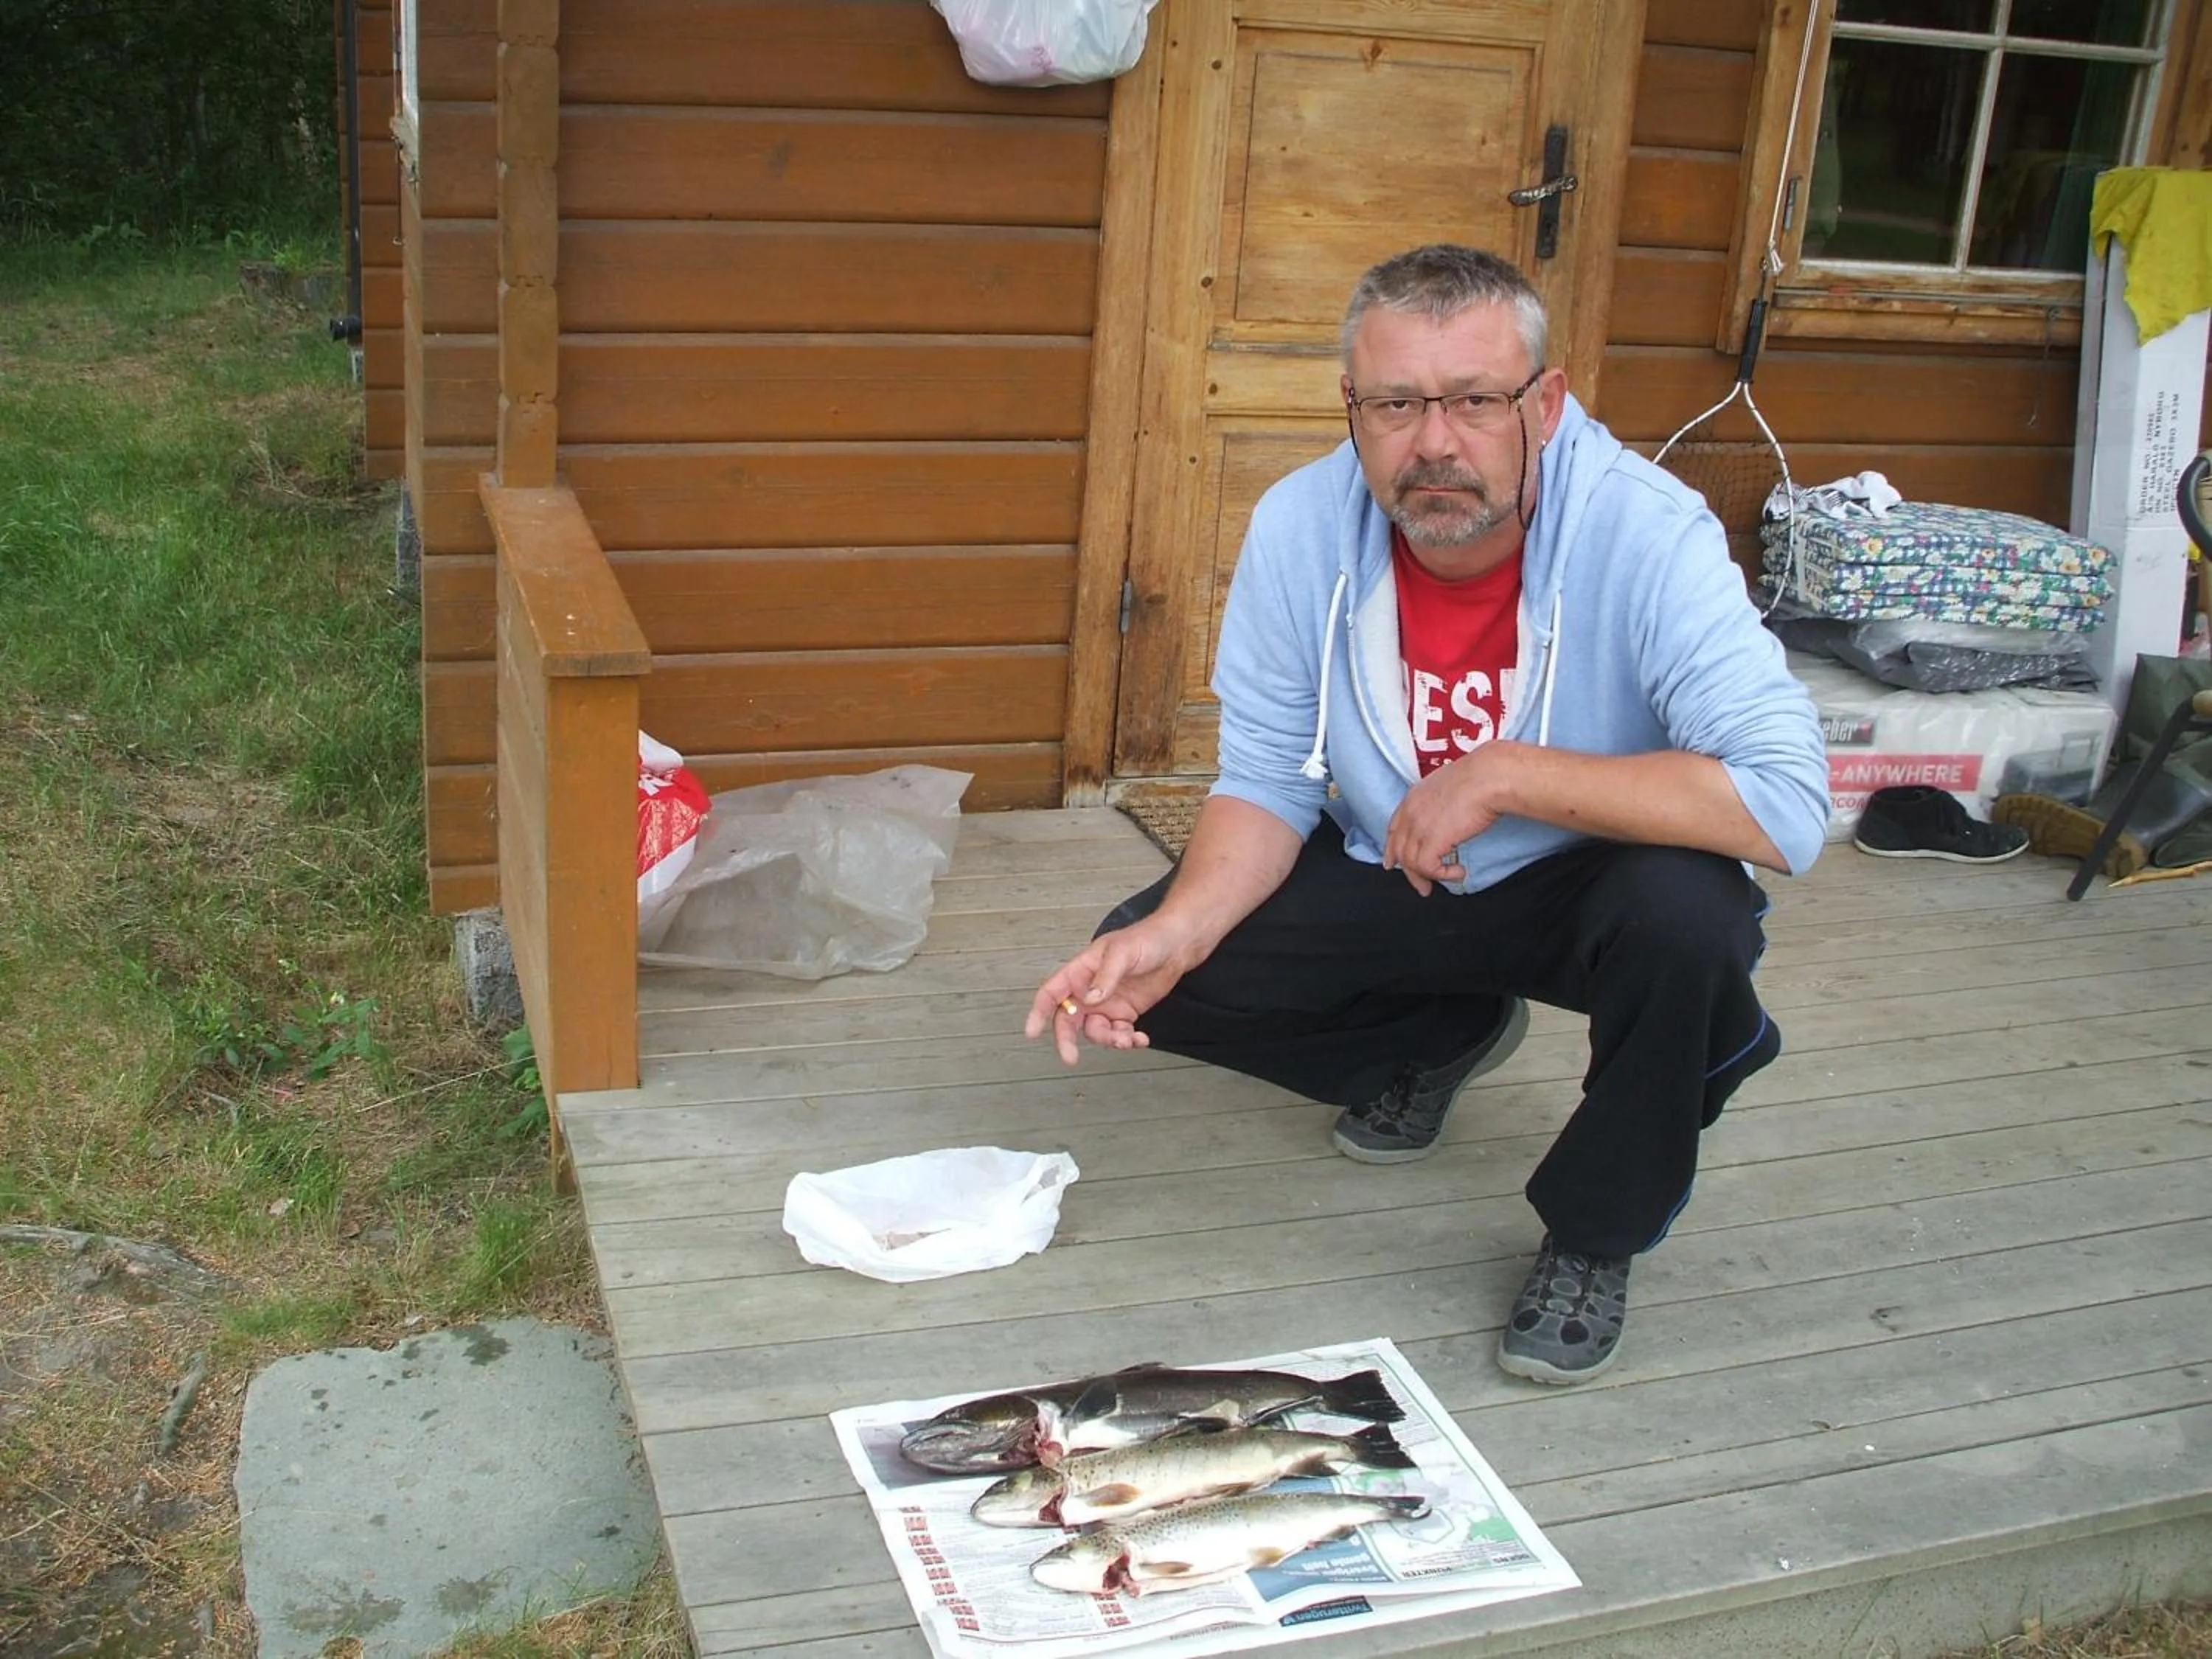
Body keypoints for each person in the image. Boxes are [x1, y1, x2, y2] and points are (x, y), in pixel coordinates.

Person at [1026, 245, 1829, 1385]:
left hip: (1593, 884)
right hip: (1399, 866)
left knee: (1687, 927)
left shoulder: (1649, 531)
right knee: (1172, 968)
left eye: (1475, 400)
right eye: (1398, 403)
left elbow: (1788, 800)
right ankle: (1442, 1032)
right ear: (1351, 409)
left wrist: (1504, 774)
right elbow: (1264, 776)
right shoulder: (1302, 526)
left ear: (1544, 405)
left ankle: (1596, 1229)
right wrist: (1174, 930)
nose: (1435, 442)